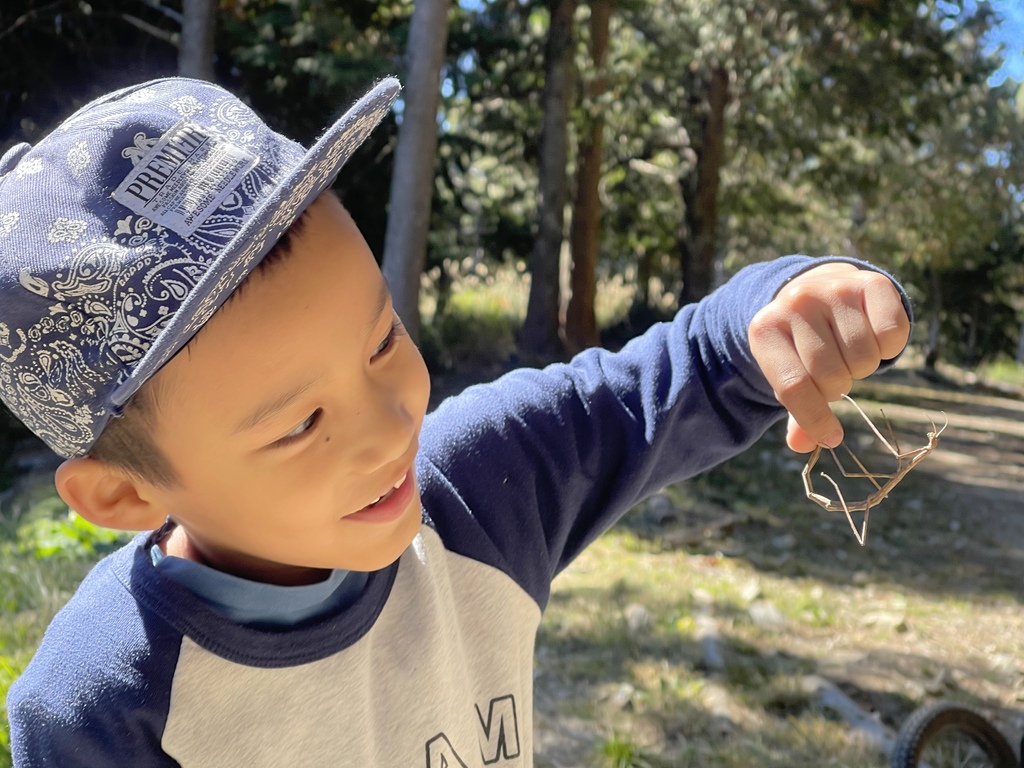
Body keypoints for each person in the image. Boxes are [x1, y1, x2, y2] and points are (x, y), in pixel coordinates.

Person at [2, 76, 911, 767]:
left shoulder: (480, 488)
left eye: (382, 339)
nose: (392, 422)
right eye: (301, 423)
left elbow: (687, 371)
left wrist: (790, 306)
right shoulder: (101, 696)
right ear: (122, 493)